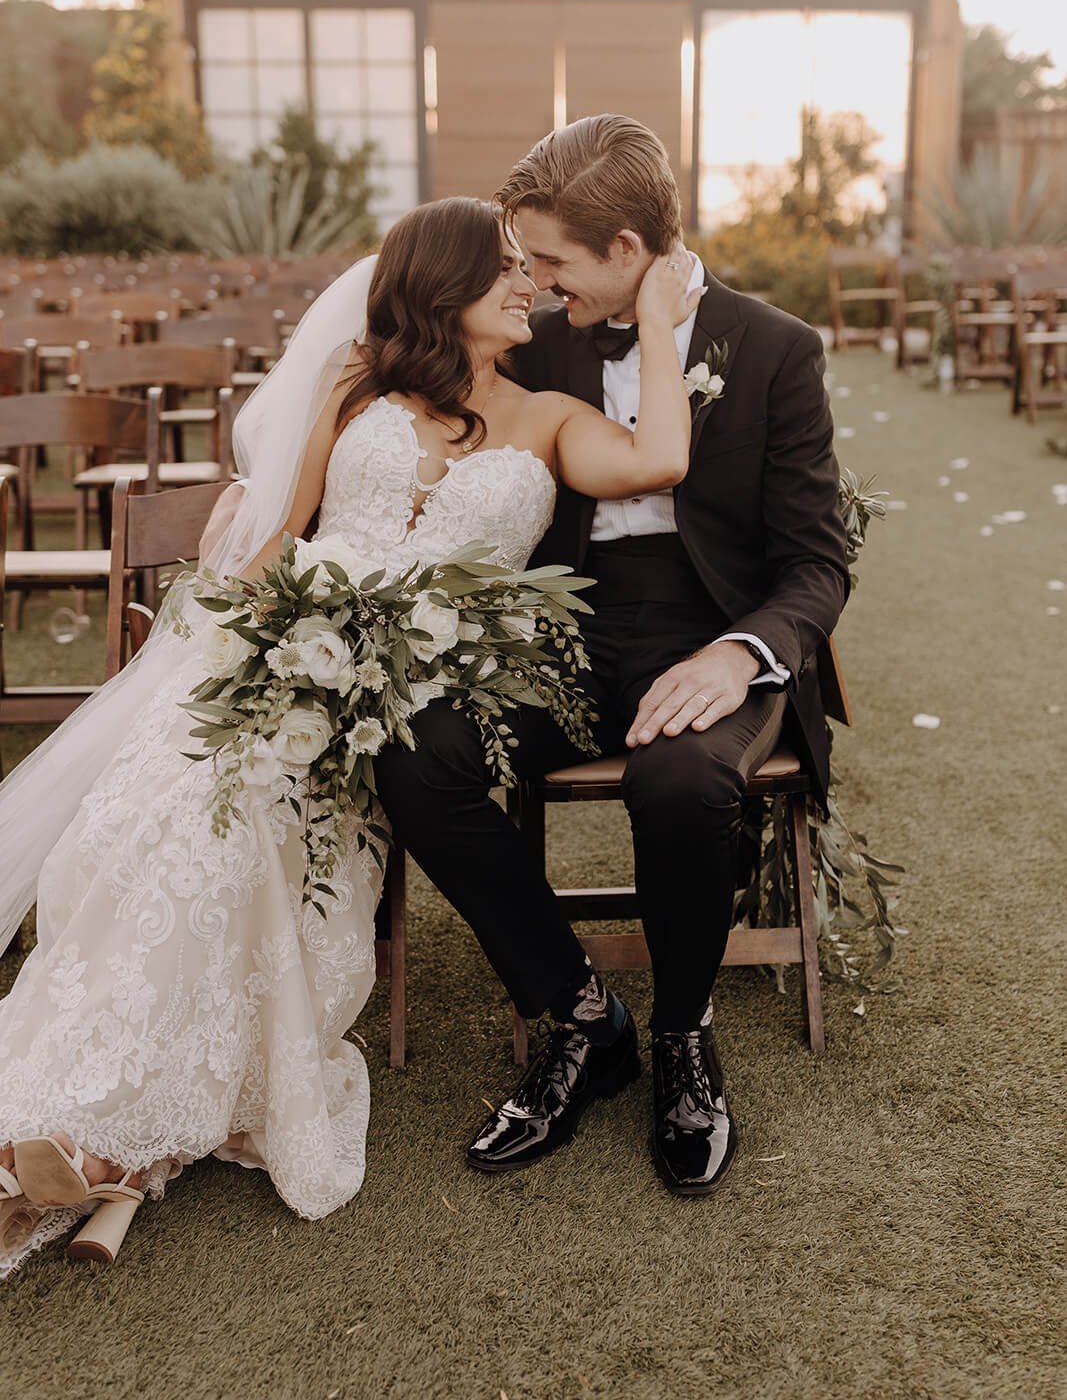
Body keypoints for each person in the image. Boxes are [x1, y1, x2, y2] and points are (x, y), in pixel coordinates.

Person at [0, 195, 698, 1274]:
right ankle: (90, 1127)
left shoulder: (551, 418)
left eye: (529, 269)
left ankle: (104, 1141)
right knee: (152, 812)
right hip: (281, 658)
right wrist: (277, 630)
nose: (528, 286)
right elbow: (283, 533)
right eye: (504, 270)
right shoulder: (354, 385)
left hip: (402, 702)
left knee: (242, 827)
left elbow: (657, 459)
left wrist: (656, 312)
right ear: (444, 287)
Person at [374, 117, 850, 1197]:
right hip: (560, 631)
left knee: (680, 778)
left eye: (550, 261)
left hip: (708, 630)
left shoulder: (773, 348)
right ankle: (582, 1012)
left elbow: (816, 562)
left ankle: (684, 1032)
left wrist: (740, 657)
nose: (532, 282)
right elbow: (402, 402)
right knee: (413, 753)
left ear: (628, 250)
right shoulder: (528, 339)